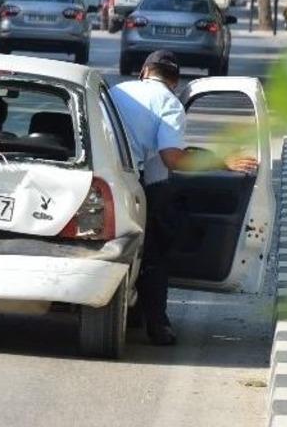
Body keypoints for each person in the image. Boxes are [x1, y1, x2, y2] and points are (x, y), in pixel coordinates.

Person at [109, 50, 258, 346]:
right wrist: (221, 163)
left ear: (143, 71)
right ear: (175, 82)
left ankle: (131, 311)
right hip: (136, 184)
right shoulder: (169, 103)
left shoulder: (115, 91)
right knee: (154, 252)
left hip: (104, 179)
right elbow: (173, 159)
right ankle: (157, 324)